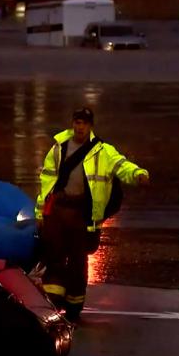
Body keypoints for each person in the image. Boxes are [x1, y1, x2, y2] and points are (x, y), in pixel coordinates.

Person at [35, 107, 149, 320]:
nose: (80, 127)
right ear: (73, 123)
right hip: (59, 212)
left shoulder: (103, 151)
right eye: (77, 122)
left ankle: (74, 308)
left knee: (78, 262)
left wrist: (138, 174)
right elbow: (47, 183)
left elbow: (121, 165)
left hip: (81, 214)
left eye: (84, 123)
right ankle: (52, 302)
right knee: (54, 257)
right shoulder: (59, 148)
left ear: (90, 126)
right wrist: (40, 212)